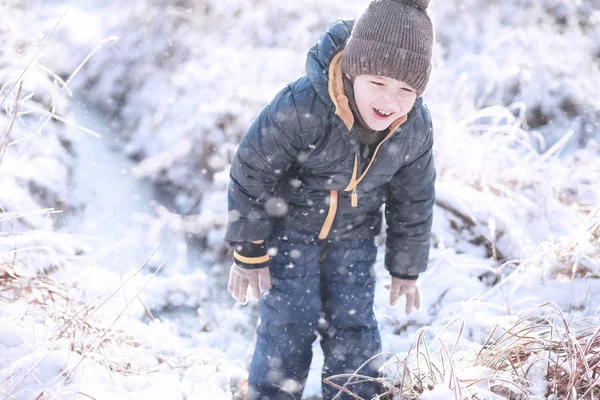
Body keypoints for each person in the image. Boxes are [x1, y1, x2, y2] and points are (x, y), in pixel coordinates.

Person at [224, 0, 435, 398]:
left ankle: (353, 394)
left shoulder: (414, 127)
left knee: (353, 331)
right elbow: (252, 170)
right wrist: (248, 248)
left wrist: (406, 266)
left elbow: (415, 197)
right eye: (378, 83)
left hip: (354, 241)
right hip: (289, 236)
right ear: (353, 71)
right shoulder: (303, 106)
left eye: (406, 89)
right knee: (288, 325)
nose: (390, 101)